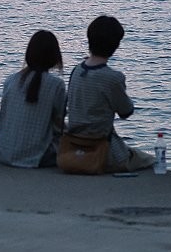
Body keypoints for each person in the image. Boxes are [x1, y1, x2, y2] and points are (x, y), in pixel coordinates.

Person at [65, 15, 155, 172]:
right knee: (149, 160)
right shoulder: (113, 78)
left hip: (74, 146)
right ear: (115, 46)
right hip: (103, 148)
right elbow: (126, 111)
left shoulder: (76, 71)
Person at [0, 29, 66, 167]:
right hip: (36, 156)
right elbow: (59, 124)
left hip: (5, 152)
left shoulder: (10, 80)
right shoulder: (56, 85)